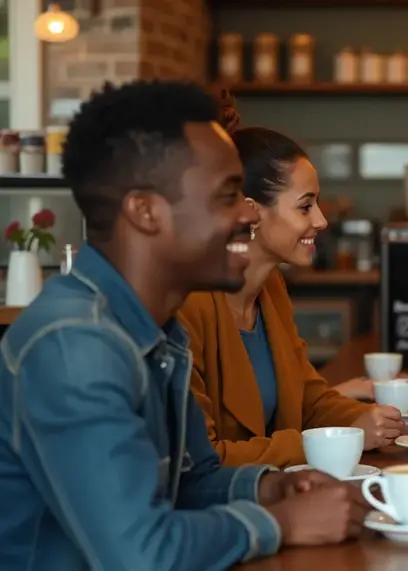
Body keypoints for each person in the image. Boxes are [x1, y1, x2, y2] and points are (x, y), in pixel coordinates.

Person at [0, 81, 367, 569]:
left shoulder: (159, 331)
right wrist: (283, 522)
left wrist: (273, 486)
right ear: (146, 212)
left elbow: (191, 482)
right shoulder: (76, 345)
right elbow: (139, 552)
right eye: (227, 195)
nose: (246, 213)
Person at [177, 98, 403, 468]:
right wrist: (337, 442)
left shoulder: (271, 288)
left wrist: (368, 420)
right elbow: (203, 457)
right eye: (305, 206)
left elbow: (308, 398)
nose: (321, 221)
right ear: (251, 211)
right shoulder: (189, 304)